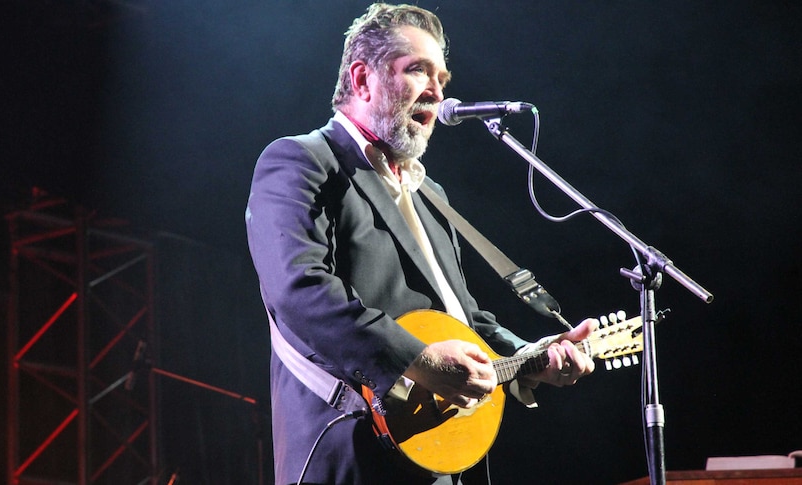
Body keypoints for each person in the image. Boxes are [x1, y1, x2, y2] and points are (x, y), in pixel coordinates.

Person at [245, 3, 598, 484]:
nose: (436, 90)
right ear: (363, 79)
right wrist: (418, 360)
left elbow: (466, 321)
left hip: (437, 454)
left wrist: (532, 357)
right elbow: (299, 290)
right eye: (417, 71)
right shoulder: (302, 161)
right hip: (351, 445)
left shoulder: (430, 194)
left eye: (443, 78)